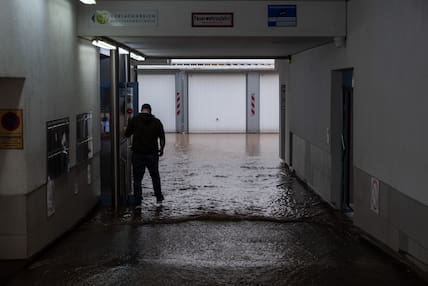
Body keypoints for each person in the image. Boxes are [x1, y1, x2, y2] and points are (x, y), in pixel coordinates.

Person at [125, 103, 165, 206]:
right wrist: (161, 149)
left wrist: (126, 128)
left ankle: (138, 202)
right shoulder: (157, 122)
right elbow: (162, 138)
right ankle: (159, 198)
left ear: (142, 110)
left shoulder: (134, 120)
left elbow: (127, 134)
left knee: (137, 179)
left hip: (138, 154)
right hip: (152, 154)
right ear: (150, 111)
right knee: (155, 176)